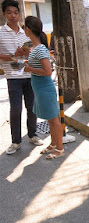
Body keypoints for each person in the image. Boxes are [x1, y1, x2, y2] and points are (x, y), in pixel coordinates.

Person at [0, 0, 43, 155]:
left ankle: (33, 135)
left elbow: (34, 50)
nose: (13, 15)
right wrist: (13, 56)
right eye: (9, 12)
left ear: (19, 14)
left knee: (32, 108)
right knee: (16, 109)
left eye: (16, 12)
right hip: (13, 78)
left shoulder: (26, 31)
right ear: (4, 14)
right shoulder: (0, 32)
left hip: (30, 74)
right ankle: (16, 141)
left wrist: (27, 53)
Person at [23, 16, 64, 159]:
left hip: (45, 88)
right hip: (40, 89)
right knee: (50, 119)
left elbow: (48, 72)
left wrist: (29, 69)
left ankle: (59, 148)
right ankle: (53, 144)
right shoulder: (36, 48)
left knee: (53, 119)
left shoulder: (39, 49)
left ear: (28, 29)